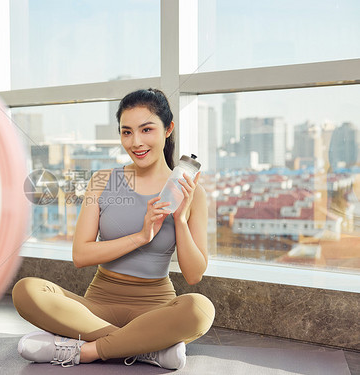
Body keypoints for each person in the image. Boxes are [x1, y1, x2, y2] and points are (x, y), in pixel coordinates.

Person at [12, 88, 215, 370]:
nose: (136, 142)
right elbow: (80, 255)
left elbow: (193, 275)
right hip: (96, 308)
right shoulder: (102, 181)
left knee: (200, 309)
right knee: (26, 290)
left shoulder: (192, 193)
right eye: (127, 132)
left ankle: (86, 350)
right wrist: (141, 236)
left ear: (168, 129)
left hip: (155, 309)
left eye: (146, 130)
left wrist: (180, 220)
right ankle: (146, 348)